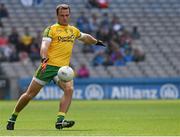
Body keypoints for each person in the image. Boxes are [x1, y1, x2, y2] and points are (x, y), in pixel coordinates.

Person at [6, 4, 105, 130]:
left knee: (69, 89)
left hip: (63, 70)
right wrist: (43, 57)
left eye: (67, 15)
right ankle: (13, 117)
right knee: (29, 95)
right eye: (62, 15)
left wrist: (96, 42)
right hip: (48, 66)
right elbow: (44, 46)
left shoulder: (72, 30)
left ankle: (60, 120)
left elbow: (85, 37)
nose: (65, 18)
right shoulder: (51, 29)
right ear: (57, 15)